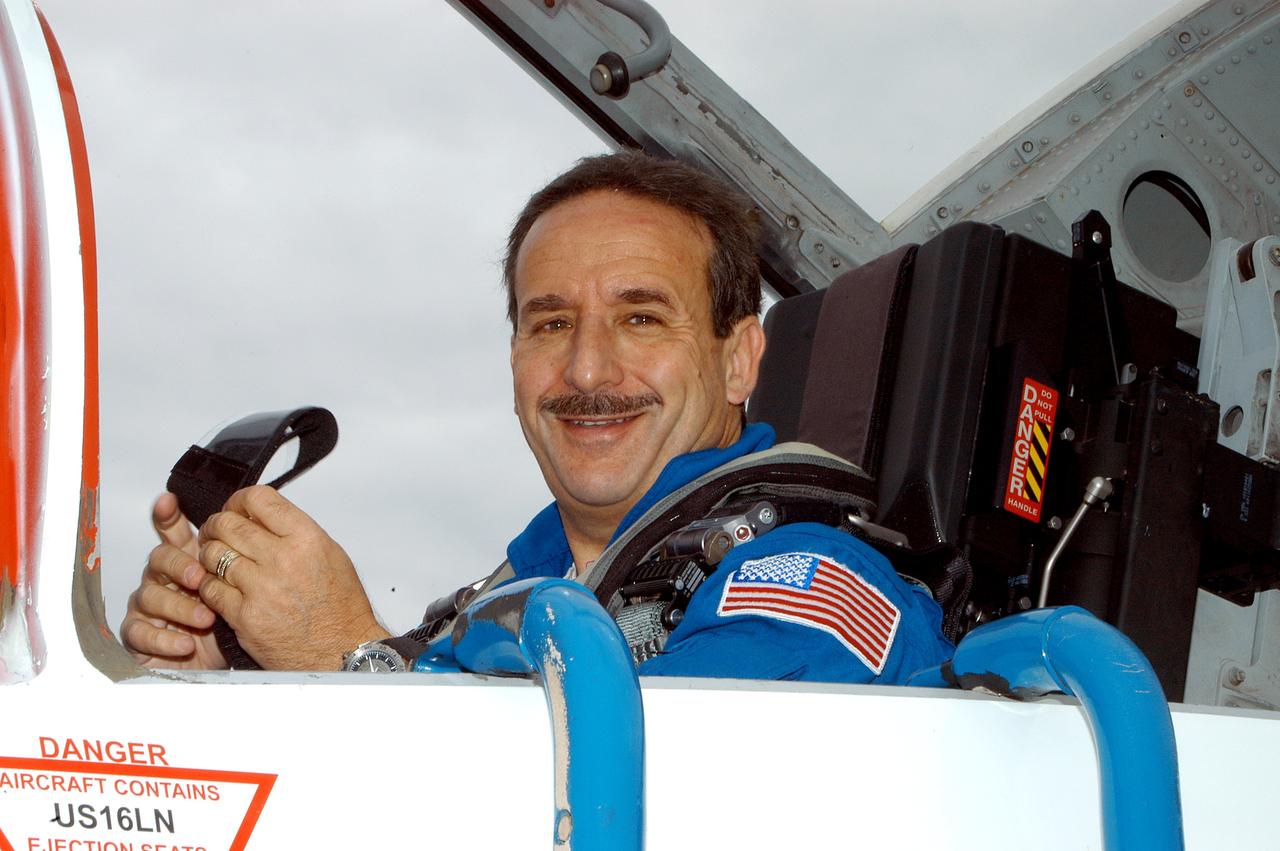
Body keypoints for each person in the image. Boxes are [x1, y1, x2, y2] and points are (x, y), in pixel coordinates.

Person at [121, 150, 953, 680]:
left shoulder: (810, 589)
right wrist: (231, 659)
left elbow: (653, 804)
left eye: (640, 317)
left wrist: (346, 654)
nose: (587, 369)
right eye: (551, 323)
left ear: (738, 358)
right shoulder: (524, 589)